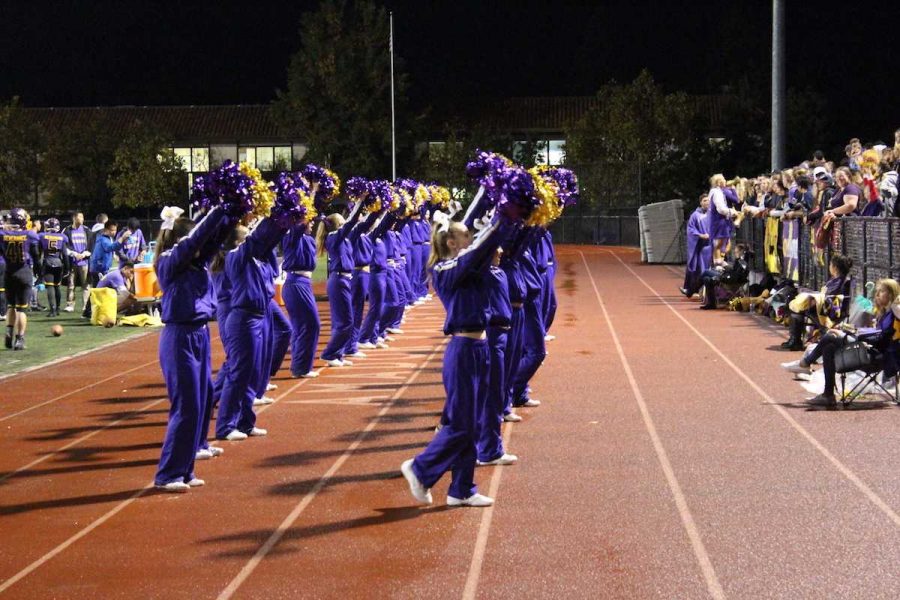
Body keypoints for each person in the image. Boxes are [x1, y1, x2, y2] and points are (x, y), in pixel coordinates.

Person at [400, 215, 517, 508]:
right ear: (452, 243)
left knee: (472, 424)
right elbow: (479, 250)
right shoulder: (445, 268)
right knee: (462, 424)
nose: (472, 239)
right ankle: (420, 468)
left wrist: (511, 222)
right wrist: (503, 221)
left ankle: (461, 489)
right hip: (463, 350)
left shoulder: (467, 267)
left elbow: (485, 253)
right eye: (467, 235)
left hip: (479, 348)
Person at [153, 205, 237, 493]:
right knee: (186, 405)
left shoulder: (196, 263)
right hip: (179, 337)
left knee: (201, 402)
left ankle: (185, 469)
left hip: (199, 335)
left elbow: (213, 238)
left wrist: (233, 211)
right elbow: (197, 238)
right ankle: (167, 474)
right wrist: (217, 208)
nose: (203, 247)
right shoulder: (169, 261)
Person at [215, 215, 288, 441]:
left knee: (254, 373)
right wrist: (276, 211)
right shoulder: (236, 256)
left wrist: (286, 221)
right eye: (246, 235)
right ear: (239, 242)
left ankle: (245, 423)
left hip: (259, 317)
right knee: (239, 373)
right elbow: (258, 237)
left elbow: (268, 239)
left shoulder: (257, 258)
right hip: (243, 319)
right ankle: (225, 426)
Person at [782, 278, 900, 407]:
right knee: (829, 347)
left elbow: (880, 339)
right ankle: (828, 395)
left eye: (882, 291)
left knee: (830, 336)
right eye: (878, 291)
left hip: (876, 356)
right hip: (868, 348)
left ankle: (805, 363)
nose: (877, 294)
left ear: (891, 293)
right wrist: (853, 331)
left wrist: (852, 335)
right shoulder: (884, 313)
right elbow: (875, 334)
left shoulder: (895, 313)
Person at [317, 202, 364, 367]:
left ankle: (337, 353)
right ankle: (329, 353)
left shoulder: (343, 238)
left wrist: (378, 208)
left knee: (345, 320)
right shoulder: (333, 237)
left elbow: (359, 225)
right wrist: (361, 201)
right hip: (338, 281)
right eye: (343, 223)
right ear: (338, 226)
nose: (346, 224)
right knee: (345, 321)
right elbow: (352, 222)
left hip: (344, 280)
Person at [780, 254, 853, 351]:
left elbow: (829, 298)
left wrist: (814, 298)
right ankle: (795, 340)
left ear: (835, 267)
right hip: (827, 307)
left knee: (797, 308)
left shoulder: (840, 281)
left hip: (830, 311)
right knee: (798, 306)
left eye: (830, 264)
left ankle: (795, 341)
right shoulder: (837, 280)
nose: (829, 267)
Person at [281, 222, 321, 378]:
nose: (311, 223)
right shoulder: (291, 236)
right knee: (311, 324)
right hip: (295, 282)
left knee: (301, 327)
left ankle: (299, 366)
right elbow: (297, 226)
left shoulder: (308, 239)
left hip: (303, 283)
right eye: (308, 220)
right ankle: (301, 367)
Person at [0, 209, 40, 350]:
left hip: (9, 273)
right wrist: (38, 273)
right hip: (24, 273)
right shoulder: (29, 235)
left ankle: (9, 332)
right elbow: (35, 255)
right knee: (21, 309)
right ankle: (19, 339)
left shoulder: (3, 235)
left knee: (11, 306)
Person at [85, 221, 130, 318]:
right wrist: (122, 239)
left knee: (99, 290)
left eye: (115, 230)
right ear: (106, 230)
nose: (114, 232)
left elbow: (114, 247)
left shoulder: (108, 238)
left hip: (102, 268)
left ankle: (91, 311)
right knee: (98, 290)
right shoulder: (102, 239)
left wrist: (123, 240)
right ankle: (88, 312)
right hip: (98, 268)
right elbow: (109, 248)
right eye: (112, 230)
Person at [699, 243, 750, 310]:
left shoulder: (742, 262)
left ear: (740, 251)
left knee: (706, 272)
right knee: (706, 279)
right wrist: (725, 268)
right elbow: (734, 271)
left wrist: (724, 273)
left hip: (728, 281)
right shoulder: (739, 261)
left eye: (736, 251)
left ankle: (693, 289)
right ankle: (711, 304)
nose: (734, 253)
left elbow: (735, 276)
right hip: (727, 277)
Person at [681, 194, 711, 298]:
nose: (707, 202)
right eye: (704, 200)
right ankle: (692, 289)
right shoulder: (695, 215)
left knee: (709, 269)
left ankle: (701, 291)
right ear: (700, 202)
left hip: (710, 247)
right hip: (699, 247)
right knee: (697, 268)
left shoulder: (712, 214)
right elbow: (690, 229)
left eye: (708, 200)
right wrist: (701, 235)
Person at [38, 218, 70, 317]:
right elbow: (65, 254)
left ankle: (52, 310)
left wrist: (38, 268)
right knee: (57, 286)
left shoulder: (42, 236)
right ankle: (58, 308)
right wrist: (67, 268)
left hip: (47, 262)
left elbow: (39, 254)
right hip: (58, 263)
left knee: (50, 286)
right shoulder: (62, 237)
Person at [62, 211, 91, 313]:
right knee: (71, 284)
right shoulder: (67, 230)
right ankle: (70, 304)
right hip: (72, 262)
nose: (82, 219)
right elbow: (64, 245)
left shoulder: (87, 230)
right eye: (80, 217)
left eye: (83, 217)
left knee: (86, 285)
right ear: (74, 218)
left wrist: (84, 254)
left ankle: (85, 306)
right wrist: (74, 254)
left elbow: (91, 245)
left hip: (84, 262)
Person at [706, 174, 738, 264]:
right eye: (723, 179)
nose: (725, 181)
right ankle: (717, 262)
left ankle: (719, 260)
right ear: (719, 182)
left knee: (724, 242)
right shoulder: (717, 192)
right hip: (719, 220)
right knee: (719, 242)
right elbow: (721, 208)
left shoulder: (716, 192)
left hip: (718, 220)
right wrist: (732, 212)